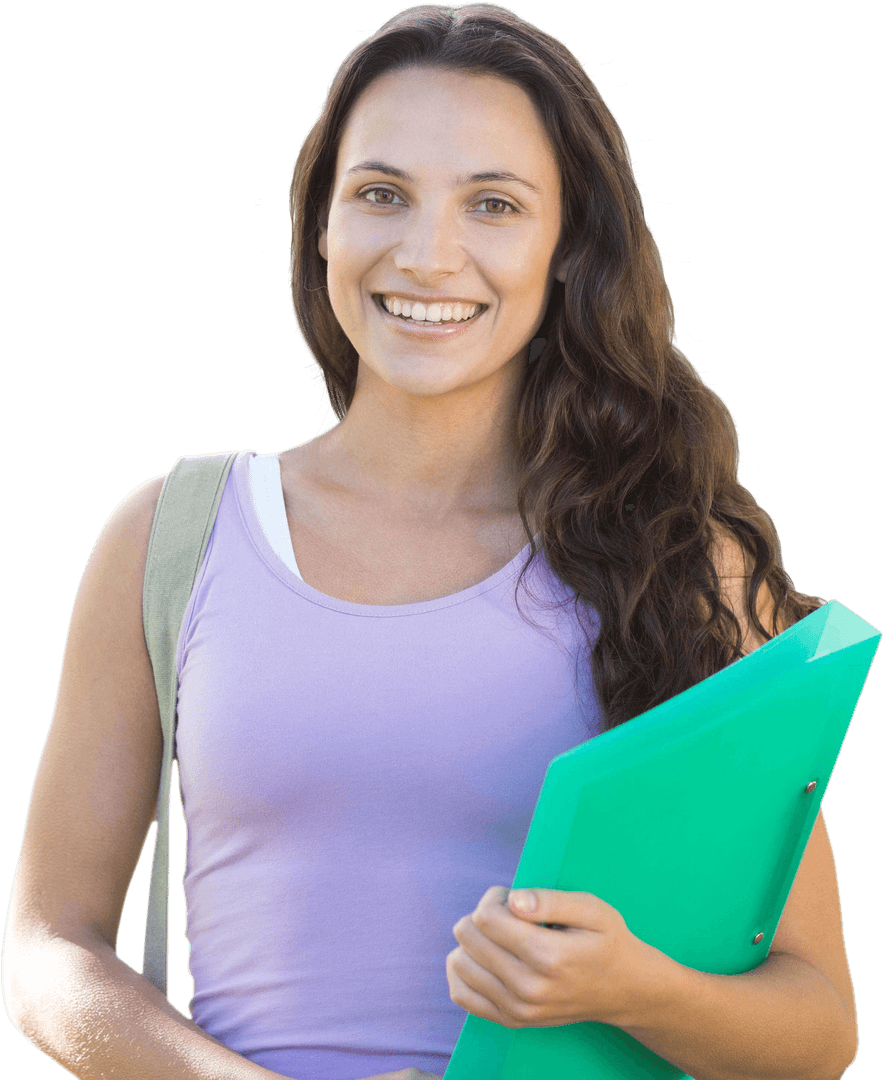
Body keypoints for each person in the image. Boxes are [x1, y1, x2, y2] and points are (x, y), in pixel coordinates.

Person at [2, 4, 859, 1079]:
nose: (426, 253)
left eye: (492, 204)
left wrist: (630, 989)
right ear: (321, 224)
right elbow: (46, 945)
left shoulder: (677, 564)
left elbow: (817, 1025)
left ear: (566, 248)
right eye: (380, 194)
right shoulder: (168, 537)